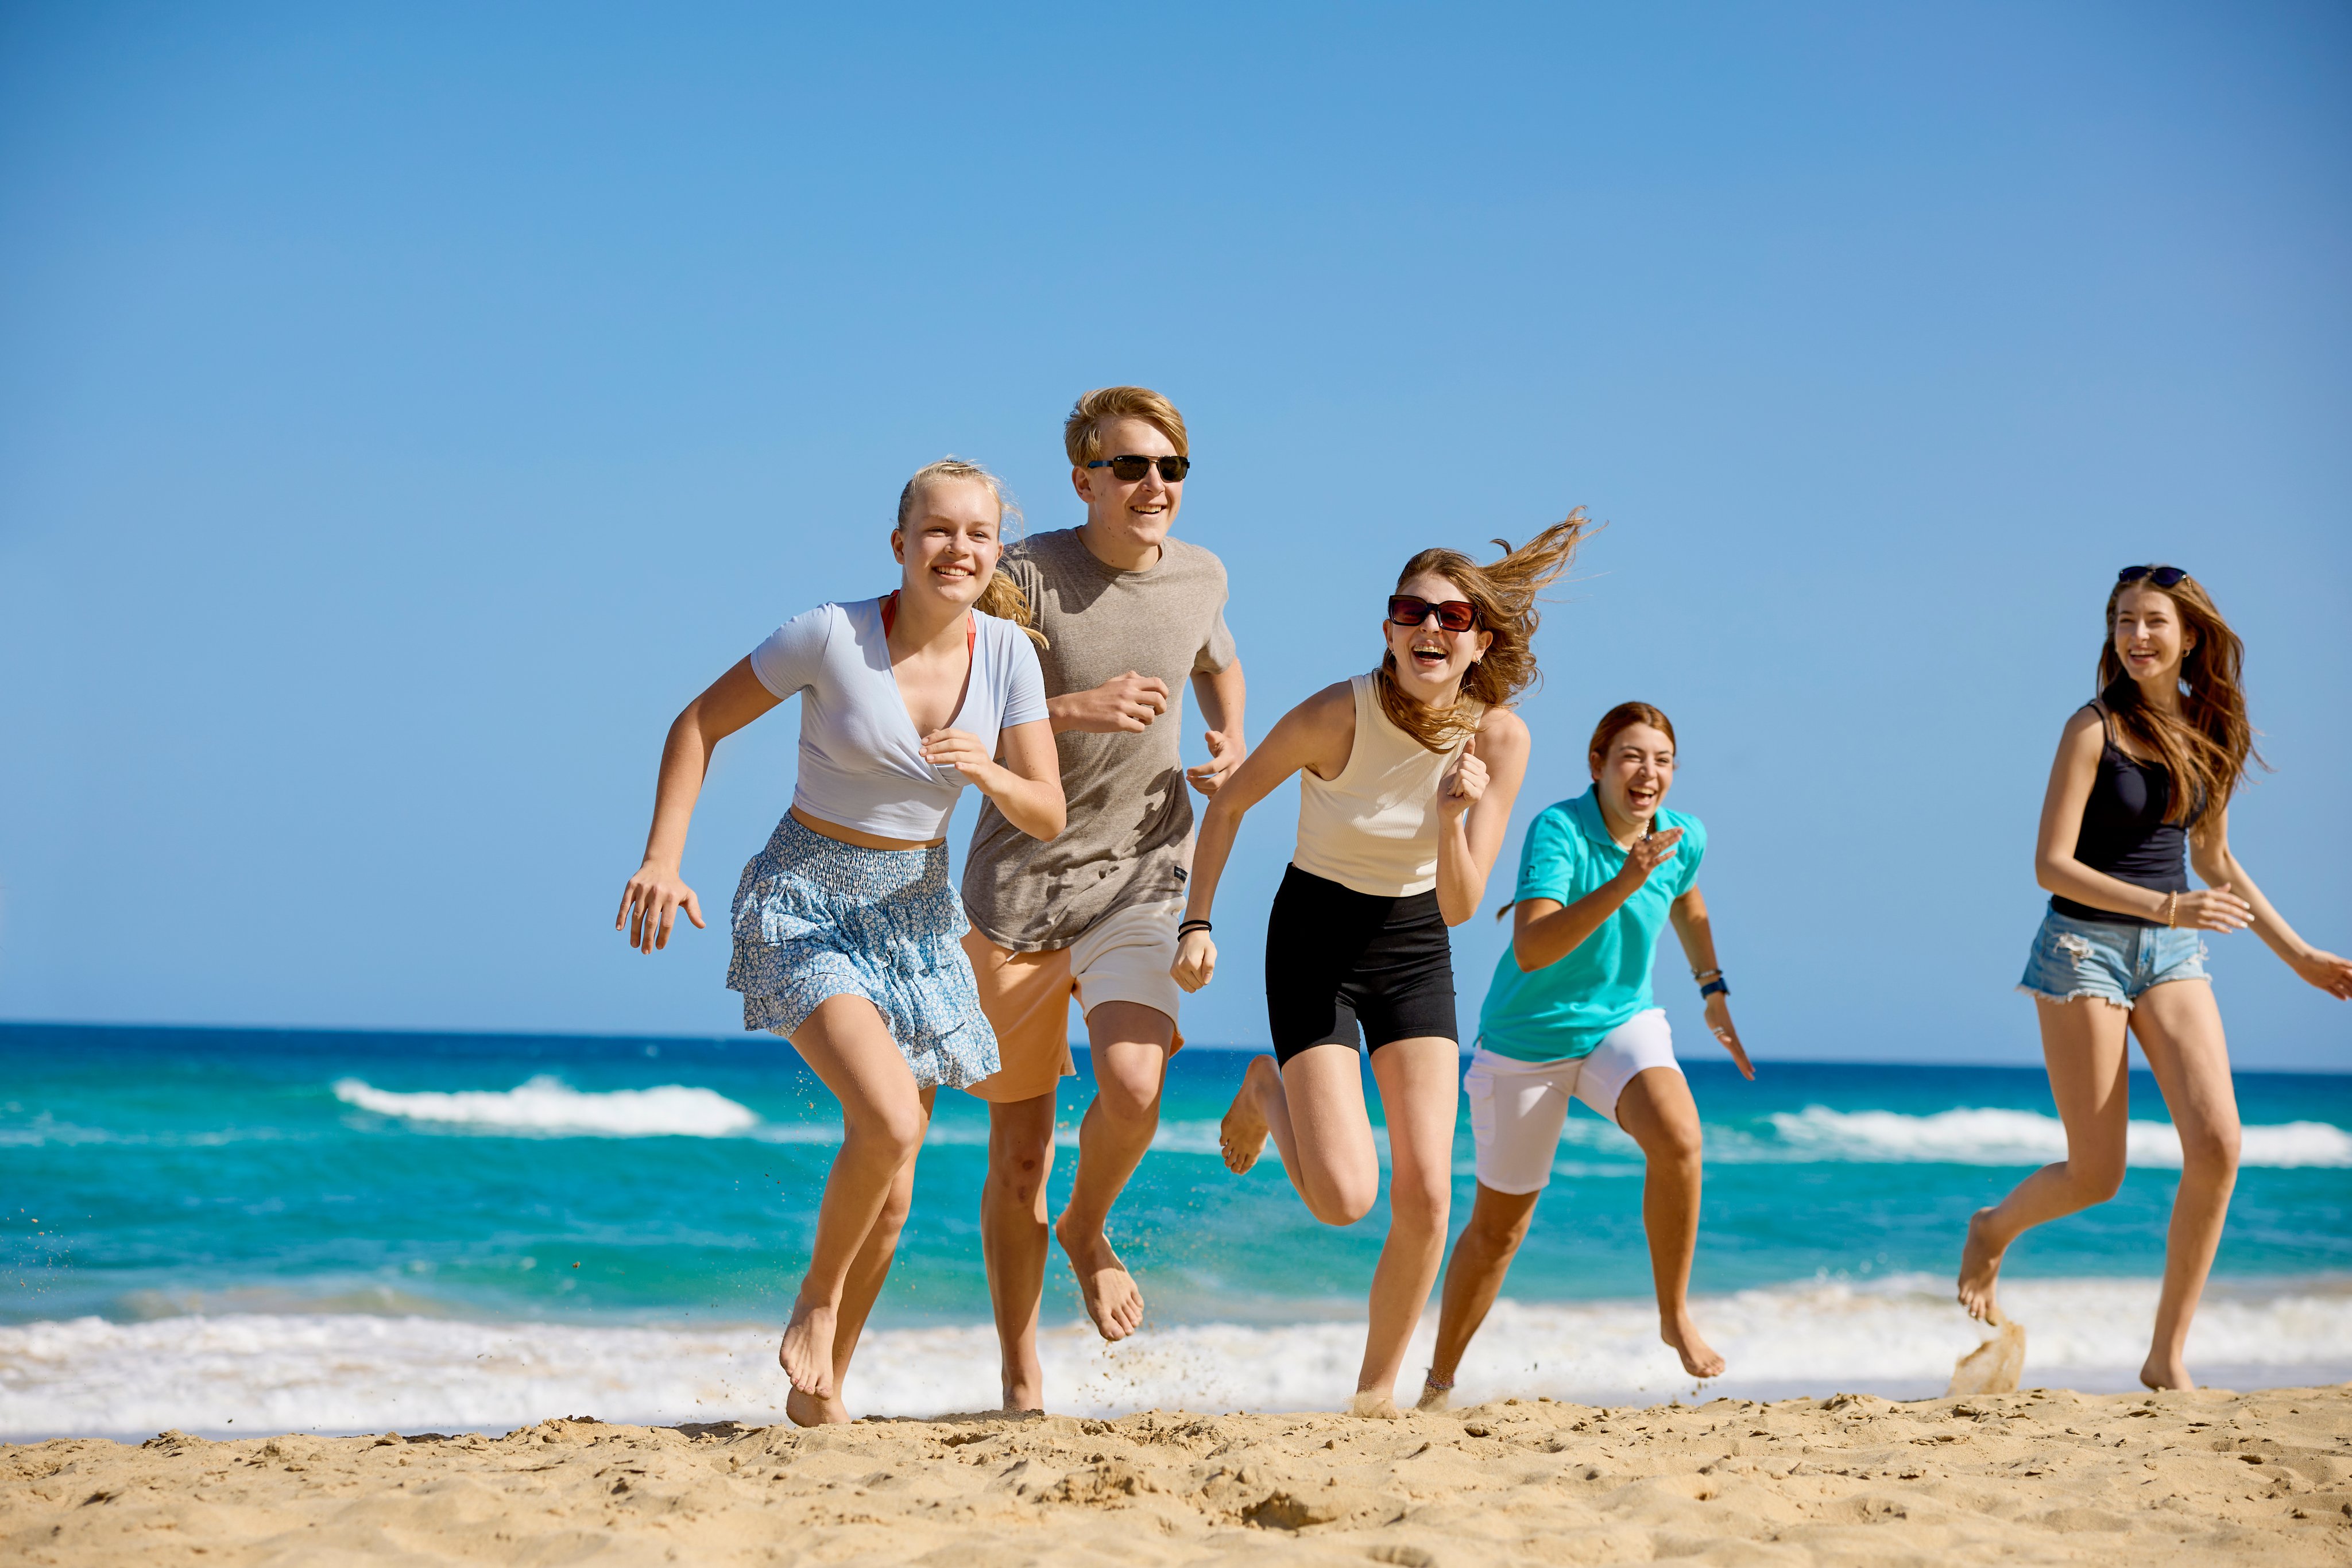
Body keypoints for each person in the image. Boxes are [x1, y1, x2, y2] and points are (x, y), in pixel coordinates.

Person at [613, 458, 1065, 1427]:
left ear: (997, 552)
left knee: (895, 1194)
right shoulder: (830, 634)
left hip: (915, 919)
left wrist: (987, 768)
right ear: (899, 544)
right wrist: (663, 856)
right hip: (806, 898)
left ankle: (822, 1396)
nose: (958, 549)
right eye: (937, 531)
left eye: (978, 534)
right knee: (892, 1119)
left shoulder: (1009, 658)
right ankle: (815, 1299)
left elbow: (1047, 812)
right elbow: (698, 723)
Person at [1175, 520, 1587, 1416]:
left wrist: (1450, 815)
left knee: (1432, 1193)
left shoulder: (1499, 740)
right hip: (1314, 940)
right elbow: (1234, 802)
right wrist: (1197, 920)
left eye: (1453, 614)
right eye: (1413, 611)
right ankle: (1265, 1087)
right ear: (1390, 626)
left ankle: (1374, 1396)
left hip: (1413, 945)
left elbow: (1459, 904)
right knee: (1345, 1198)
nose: (1430, 628)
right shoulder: (1337, 712)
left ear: (1480, 638)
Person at [1957, 564, 2351, 1389]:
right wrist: (2169, 909)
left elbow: (2213, 859)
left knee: (2218, 1144)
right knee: (2098, 1174)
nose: (2137, 635)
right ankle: (1993, 1227)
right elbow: (2050, 863)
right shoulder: (2092, 727)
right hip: (2082, 951)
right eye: (2123, 620)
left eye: (2153, 621)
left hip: (2170, 955)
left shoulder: (2215, 726)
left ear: (2191, 634)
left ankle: (2166, 1357)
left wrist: (2301, 954)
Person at [957, 386, 1247, 1411]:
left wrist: (1231, 739)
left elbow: (1217, 658)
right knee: (1020, 1150)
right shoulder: (1022, 578)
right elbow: (957, 720)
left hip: (1141, 870)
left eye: (1170, 468)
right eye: (1130, 467)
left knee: (1131, 1085)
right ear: (1083, 480)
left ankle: (1087, 1226)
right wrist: (1077, 707)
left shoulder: (1202, 574)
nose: (1154, 486)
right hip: (1017, 888)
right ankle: (1020, 1369)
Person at [1418, 701, 1754, 1410]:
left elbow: (1687, 903)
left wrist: (1711, 987)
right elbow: (1533, 947)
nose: (1649, 772)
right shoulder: (1559, 829)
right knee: (1499, 1229)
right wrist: (1624, 882)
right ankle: (1439, 1381)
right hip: (1527, 1038)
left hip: (1618, 1023)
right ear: (1598, 764)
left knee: (1680, 1140)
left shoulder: (1680, 835)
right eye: (1632, 755)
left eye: (1662, 760)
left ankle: (1673, 1314)